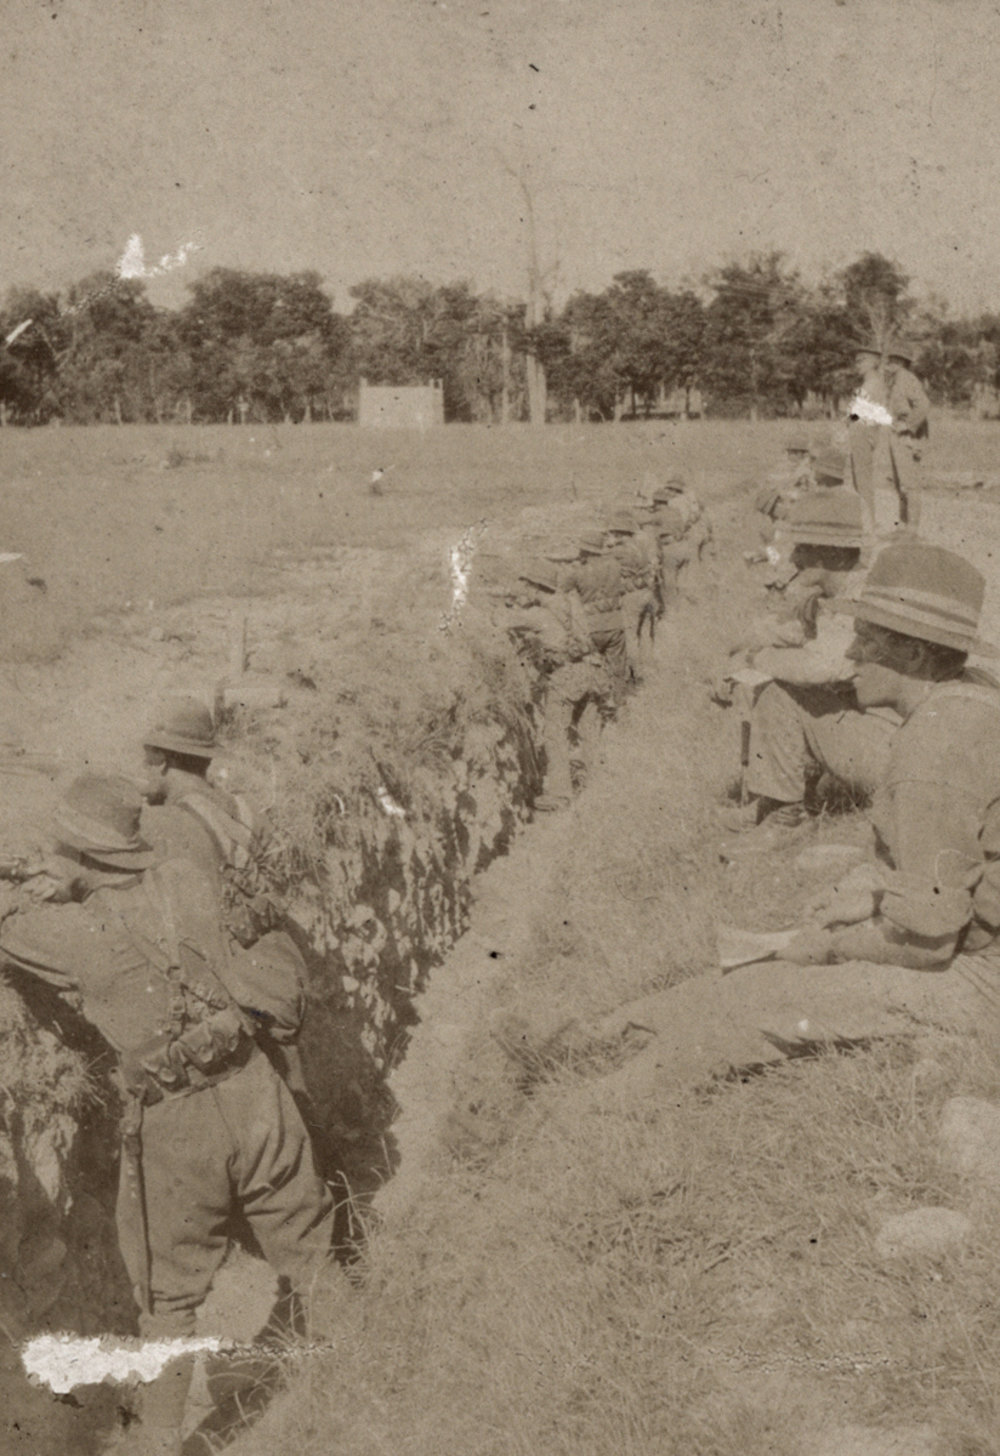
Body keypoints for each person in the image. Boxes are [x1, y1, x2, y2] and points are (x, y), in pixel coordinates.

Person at [586, 542, 1000, 1099]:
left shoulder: (930, 750)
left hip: (983, 984)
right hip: (974, 943)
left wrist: (830, 949)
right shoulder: (969, 698)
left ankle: (589, 1114)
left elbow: (925, 947)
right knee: (759, 973)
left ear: (918, 658)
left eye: (869, 640)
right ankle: (606, 1032)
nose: (851, 652)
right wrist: (870, 905)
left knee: (757, 1010)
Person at [0, 774, 335, 1455]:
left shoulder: (72, 935)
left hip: (176, 1125)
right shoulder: (186, 879)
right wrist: (80, 877)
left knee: (170, 1305)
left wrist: (49, 884)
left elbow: (10, 928)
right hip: (255, 1090)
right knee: (311, 1246)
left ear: (86, 859)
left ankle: (158, 1445)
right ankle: (369, 1369)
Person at [720, 489, 898, 843]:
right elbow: (796, 632)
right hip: (879, 740)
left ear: (831, 555)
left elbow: (821, 667)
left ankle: (787, 815)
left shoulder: (857, 601)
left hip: (889, 756)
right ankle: (780, 801)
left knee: (780, 692)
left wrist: (756, 660)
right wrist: (744, 648)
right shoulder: (837, 594)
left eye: (803, 549)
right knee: (785, 682)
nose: (795, 557)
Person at [506, 560, 609, 810]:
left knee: (555, 734)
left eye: (527, 585)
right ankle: (600, 783)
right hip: (592, 671)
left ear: (536, 587)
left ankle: (560, 795)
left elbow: (500, 621)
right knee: (589, 731)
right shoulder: (570, 603)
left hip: (566, 678)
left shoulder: (537, 615)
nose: (524, 589)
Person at [558, 530, 628, 694]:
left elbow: (561, 588)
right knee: (617, 669)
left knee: (589, 667)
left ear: (585, 551)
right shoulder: (615, 565)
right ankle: (618, 707)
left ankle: (597, 704)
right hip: (615, 623)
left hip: (591, 626)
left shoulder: (578, 571)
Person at [603, 513, 657, 683]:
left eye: (612, 533)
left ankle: (636, 674)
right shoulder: (638, 546)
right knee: (645, 633)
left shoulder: (618, 551)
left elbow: (602, 563)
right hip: (647, 593)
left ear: (619, 533)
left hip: (632, 596)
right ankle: (649, 667)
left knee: (630, 635)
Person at [883, 340, 930, 531]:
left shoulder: (907, 379)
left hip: (908, 438)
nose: (891, 362)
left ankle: (912, 528)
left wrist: (908, 427)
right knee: (900, 482)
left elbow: (924, 405)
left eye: (896, 359)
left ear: (903, 362)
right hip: (897, 434)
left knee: (909, 484)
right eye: (891, 358)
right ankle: (903, 525)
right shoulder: (895, 381)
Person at [848, 344, 886, 541]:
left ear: (874, 362)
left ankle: (868, 525)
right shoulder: (868, 384)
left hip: (864, 434)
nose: (858, 365)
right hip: (860, 434)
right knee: (860, 481)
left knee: (863, 481)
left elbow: (860, 414)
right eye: (857, 361)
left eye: (862, 361)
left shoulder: (872, 385)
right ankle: (866, 522)